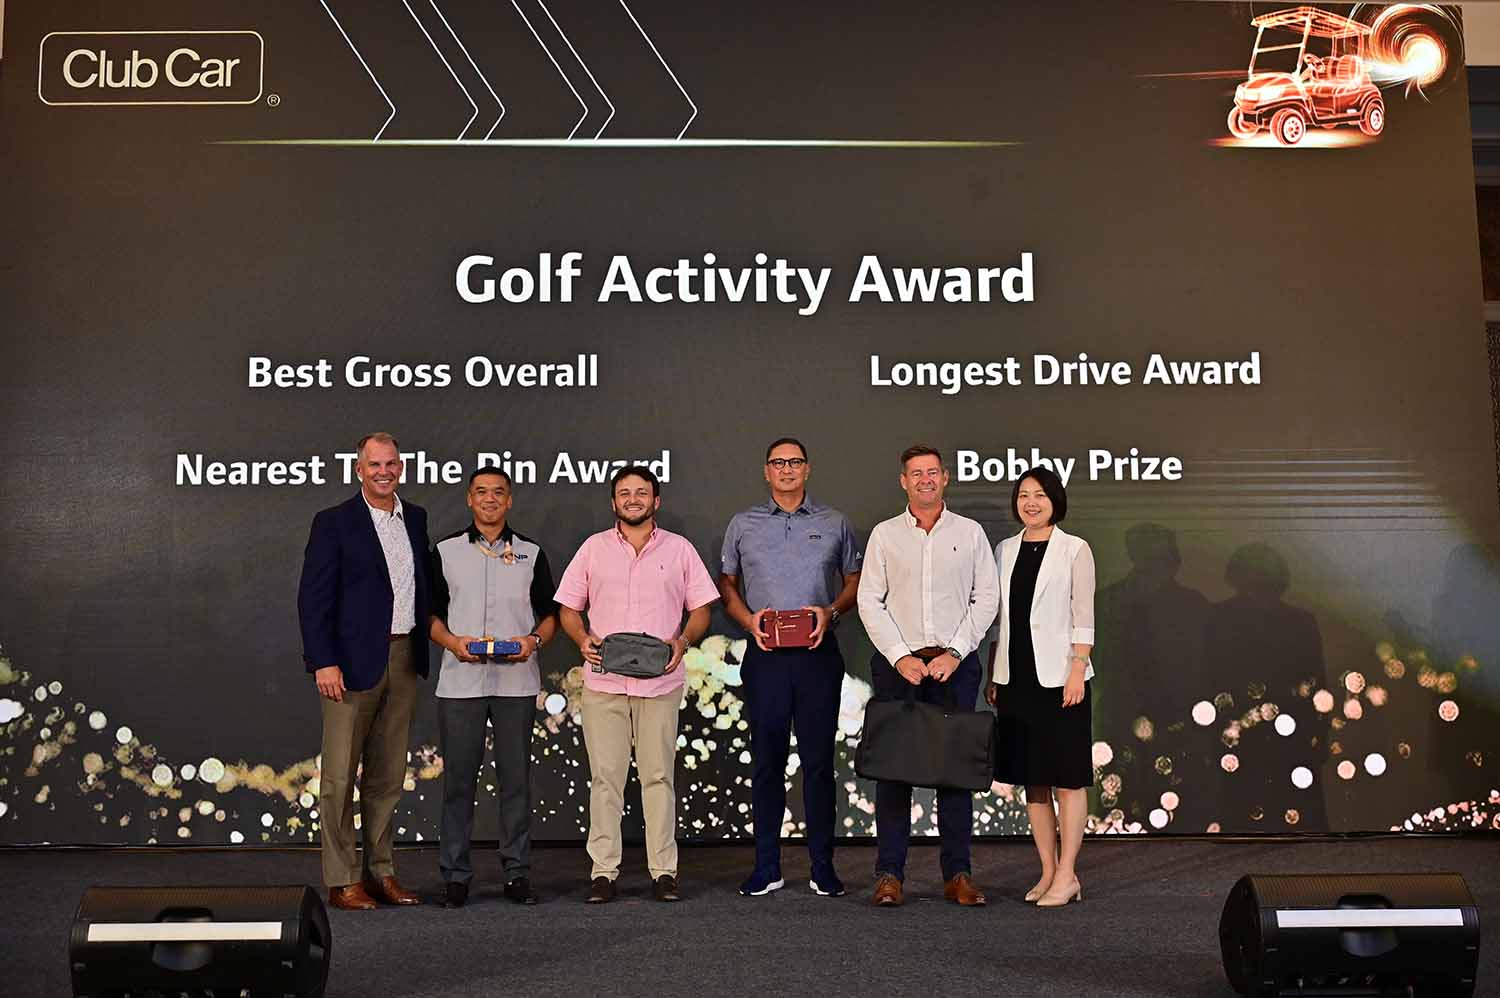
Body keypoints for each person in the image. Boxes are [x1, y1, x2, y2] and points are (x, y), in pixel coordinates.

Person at [554, 465, 719, 903]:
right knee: (605, 779)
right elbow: (568, 608)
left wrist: (683, 641)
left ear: (655, 500)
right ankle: (603, 872)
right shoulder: (593, 549)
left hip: (659, 684)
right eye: (624, 493)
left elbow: (702, 608)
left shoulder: (680, 549)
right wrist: (581, 638)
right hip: (604, 683)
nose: (633, 499)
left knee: (658, 778)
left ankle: (664, 871)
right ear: (614, 502)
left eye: (641, 492)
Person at [719, 437, 862, 898]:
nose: (786, 469)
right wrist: (748, 620)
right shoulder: (743, 524)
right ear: (766, 471)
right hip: (765, 657)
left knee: (819, 765)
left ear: (807, 469)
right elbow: (727, 582)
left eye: (794, 462)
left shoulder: (835, 522)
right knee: (767, 763)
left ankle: (823, 867)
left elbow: (855, 580)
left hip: (818, 657)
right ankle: (767, 867)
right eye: (778, 463)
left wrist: (831, 612)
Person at [857, 445, 999, 907]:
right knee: (892, 772)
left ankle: (958, 874)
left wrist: (956, 652)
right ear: (904, 481)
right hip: (898, 667)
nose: (925, 479)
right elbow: (869, 600)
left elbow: (986, 598)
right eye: (916, 473)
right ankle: (889, 875)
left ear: (945, 478)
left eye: (932, 472)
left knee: (955, 772)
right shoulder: (884, 535)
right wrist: (900, 656)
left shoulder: (970, 533)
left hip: (955, 667)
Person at [297, 432, 430, 910]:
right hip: (349, 665)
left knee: (387, 777)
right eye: (374, 464)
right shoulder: (333, 522)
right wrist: (323, 660)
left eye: (391, 463)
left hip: (404, 657)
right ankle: (342, 879)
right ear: (359, 470)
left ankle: (381, 872)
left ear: (401, 468)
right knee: (338, 778)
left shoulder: (415, 518)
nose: (383, 472)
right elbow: (313, 598)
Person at [428, 468, 559, 908]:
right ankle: (455, 876)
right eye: (481, 492)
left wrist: (532, 642)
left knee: (515, 783)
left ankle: (517, 873)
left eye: (498, 492)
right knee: (458, 784)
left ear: (509, 500)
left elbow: (550, 616)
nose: (489, 499)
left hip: (516, 682)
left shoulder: (531, 553)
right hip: (460, 681)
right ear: (469, 499)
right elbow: (429, 616)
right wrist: (452, 643)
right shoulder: (445, 551)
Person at [986, 467, 1095, 908]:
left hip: (1061, 678)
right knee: (1033, 780)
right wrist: (994, 672)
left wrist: (1077, 669)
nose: (1031, 503)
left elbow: (1083, 614)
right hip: (1016, 679)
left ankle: (1068, 874)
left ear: (1055, 502)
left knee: (1067, 778)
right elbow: (1001, 619)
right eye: (1024, 495)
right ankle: (1048, 870)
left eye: (1040, 495)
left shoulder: (1075, 549)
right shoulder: (1004, 549)